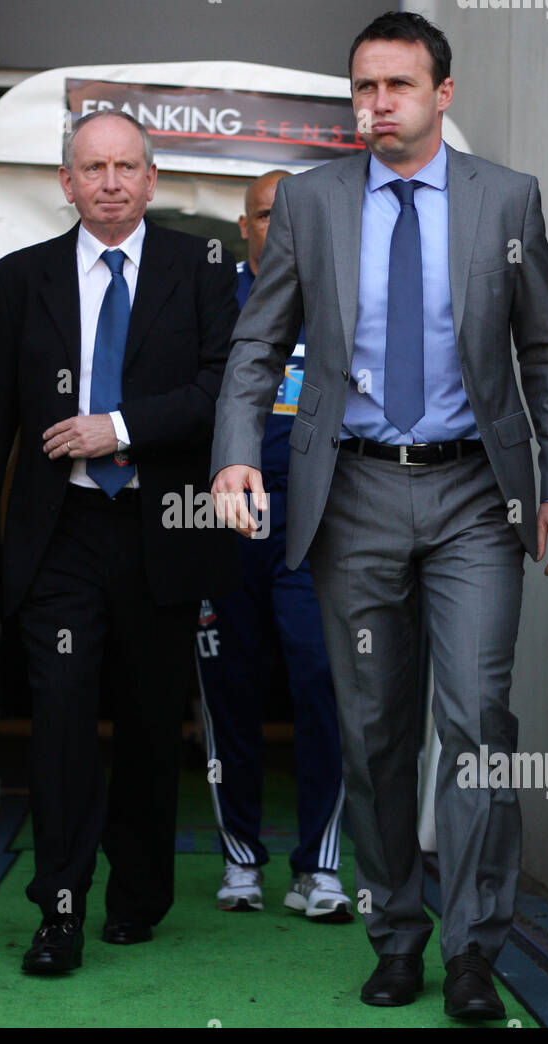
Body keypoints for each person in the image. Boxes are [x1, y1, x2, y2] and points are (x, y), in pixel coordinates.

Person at [211, 11, 548, 1021]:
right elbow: (256, 351)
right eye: (363, 88)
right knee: (377, 728)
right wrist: (233, 460)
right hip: (356, 497)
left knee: (477, 722)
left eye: (395, 86)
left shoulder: (506, 199)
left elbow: (546, 354)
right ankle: (395, 932)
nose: (375, 105)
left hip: (477, 494)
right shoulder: (309, 203)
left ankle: (474, 948)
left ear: (441, 95)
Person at [0, 109, 239, 975]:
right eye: (93, 168)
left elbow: (220, 388)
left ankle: (139, 894)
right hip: (60, 535)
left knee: (151, 724)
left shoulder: (201, 268)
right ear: (66, 183)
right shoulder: (23, 278)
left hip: (162, 530)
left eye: (126, 167)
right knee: (63, 721)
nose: (110, 181)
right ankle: (60, 909)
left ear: (152, 180)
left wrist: (117, 425)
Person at [196, 171, 351, 922]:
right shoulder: (209, 304)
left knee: (323, 680)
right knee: (230, 690)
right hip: (224, 523)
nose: (279, 227)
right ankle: (240, 860)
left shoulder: (343, 308)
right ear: (245, 227)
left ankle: (320, 866)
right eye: (266, 215)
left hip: (314, 522)